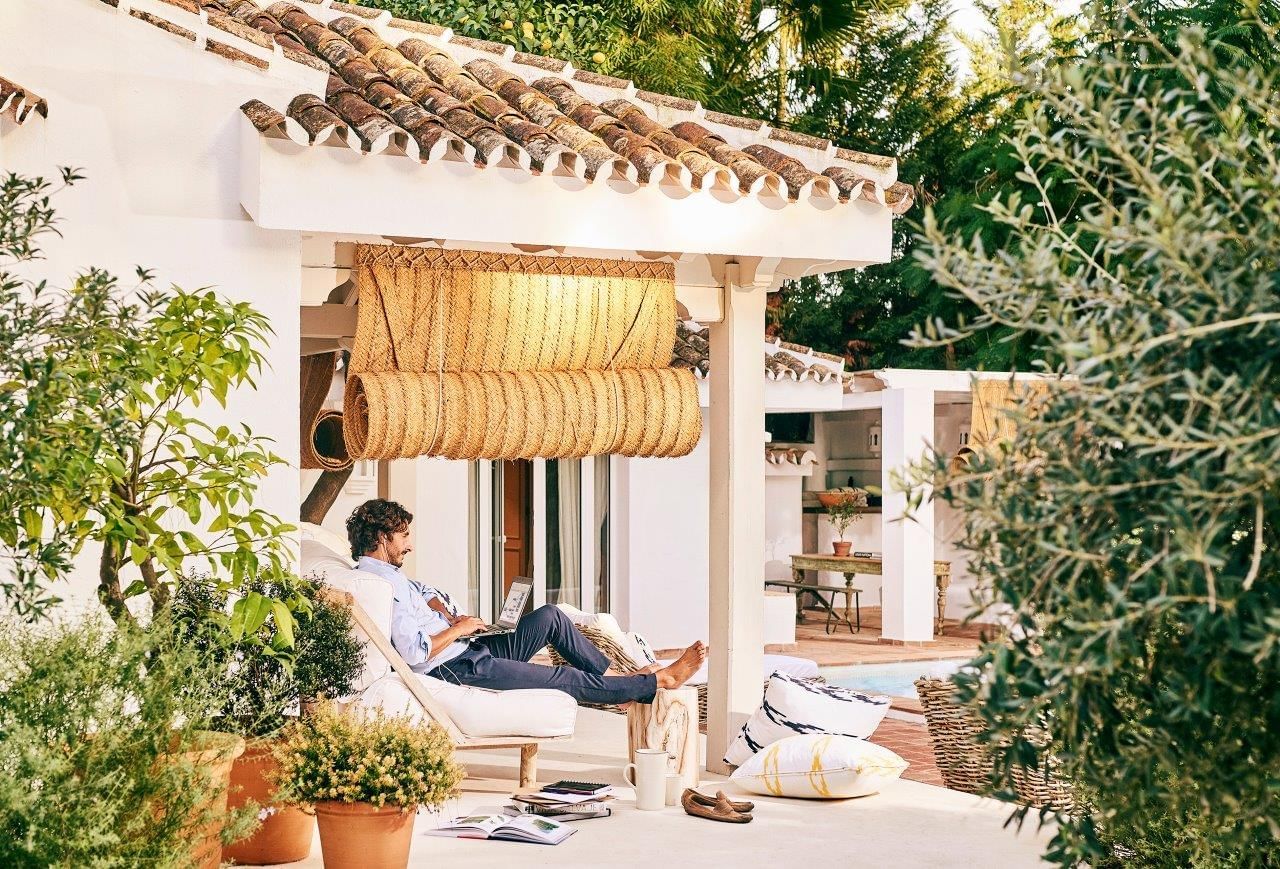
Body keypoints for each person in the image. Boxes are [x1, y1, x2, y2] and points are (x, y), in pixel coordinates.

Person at [345, 499, 707, 706]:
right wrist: (457, 629)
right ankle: (660, 680)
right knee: (563, 676)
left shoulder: (390, 575)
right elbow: (414, 652)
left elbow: (425, 591)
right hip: (457, 668)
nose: (409, 544)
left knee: (550, 616)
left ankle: (616, 680)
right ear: (381, 537)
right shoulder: (379, 585)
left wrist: (442, 610)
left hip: (471, 649)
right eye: (404, 536)